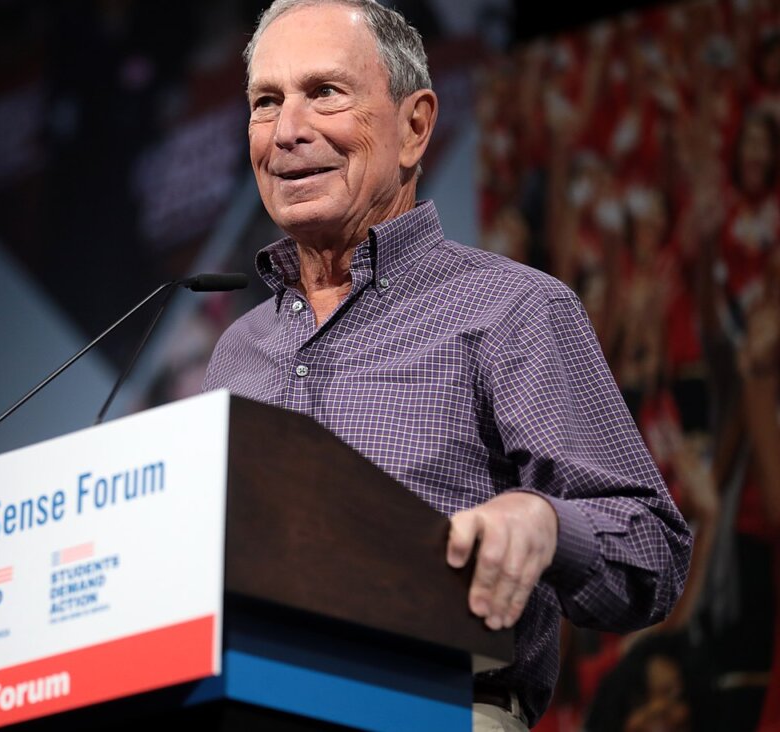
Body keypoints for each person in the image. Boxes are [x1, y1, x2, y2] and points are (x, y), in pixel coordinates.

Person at [201, 1, 693, 729]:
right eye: (266, 102)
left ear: (416, 125)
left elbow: (653, 548)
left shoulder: (512, 309)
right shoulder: (235, 352)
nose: (288, 132)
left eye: (324, 93)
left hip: (434, 707)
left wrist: (546, 523)